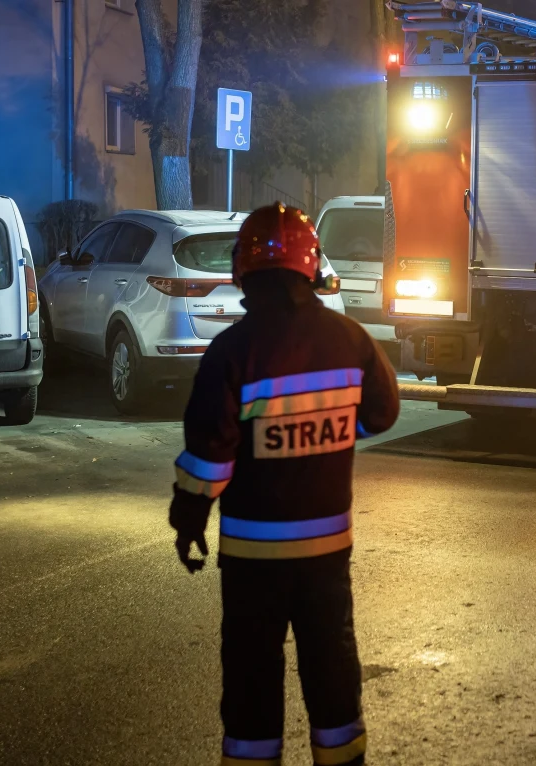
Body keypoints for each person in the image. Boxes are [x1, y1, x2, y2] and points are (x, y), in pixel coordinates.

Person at [168, 202, 400, 766]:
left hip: (252, 558)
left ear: (242, 271)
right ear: (311, 268)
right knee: (332, 671)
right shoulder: (351, 340)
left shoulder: (232, 351)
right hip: (326, 554)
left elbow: (209, 457)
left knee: (251, 680)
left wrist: (189, 522)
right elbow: (382, 414)